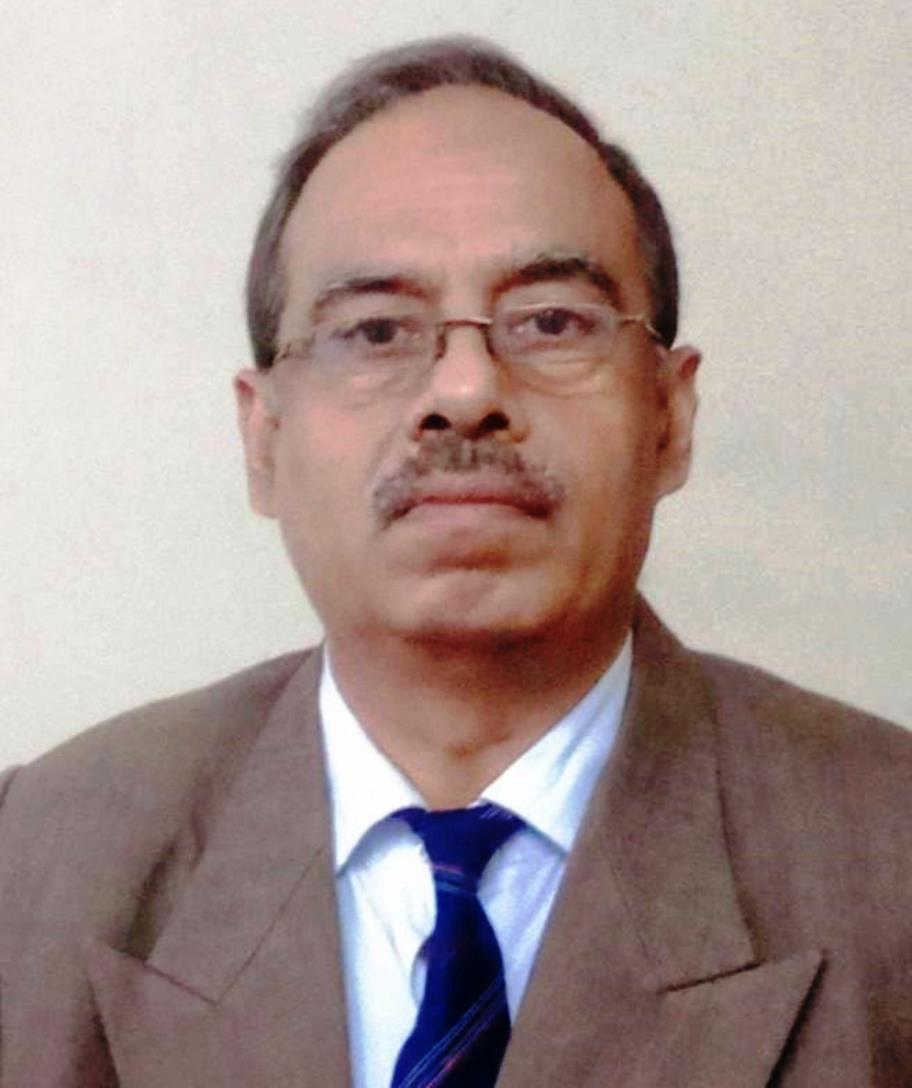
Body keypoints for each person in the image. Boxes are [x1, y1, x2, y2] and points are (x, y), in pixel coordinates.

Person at [0, 35, 910, 1088]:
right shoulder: (33, 862)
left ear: (669, 416)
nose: (467, 390)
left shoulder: (886, 858)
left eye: (550, 321)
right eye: (376, 330)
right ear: (264, 438)